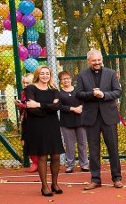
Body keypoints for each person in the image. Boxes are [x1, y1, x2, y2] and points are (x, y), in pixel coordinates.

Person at [75, 49, 123, 190]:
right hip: (91, 118)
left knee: (113, 149)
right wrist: (92, 94)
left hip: (109, 117)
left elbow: (118, 92)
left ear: (102, 60)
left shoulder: (111, 73)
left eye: (99, 60)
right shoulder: (82, 75)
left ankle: (117, 178)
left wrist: (103, 95)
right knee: (94, 150)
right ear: (88, 61)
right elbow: (78, 94)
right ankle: (95, 179)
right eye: (94, 61)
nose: (97, 63)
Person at [23, 65, 65, 196]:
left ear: (50, 75)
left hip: (52, 125)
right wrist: (48, 109)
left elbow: (57, 106)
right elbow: (31, 108)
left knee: (56, 155)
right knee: (42, 156)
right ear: (37, 75)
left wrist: (40, 105)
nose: (45, 76)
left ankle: (54, 183)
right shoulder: (31, 88)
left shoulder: (54, 90)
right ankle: (44, 186)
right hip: (37, 125)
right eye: (42, 73)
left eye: (47, 73)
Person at [57, 71, 88, 174]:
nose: (66, 80)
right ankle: (70, 165)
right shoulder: (59, 93)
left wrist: (81, 107)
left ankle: (84, 164)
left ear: (71, 79)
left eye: (67, 78)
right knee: (69, 145)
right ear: (60, 81)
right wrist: (72, 109)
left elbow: (85, 100)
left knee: (82, 143)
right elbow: (59, 106)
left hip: (81, 120)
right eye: (63, 79)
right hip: (66, 122)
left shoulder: (78, 90)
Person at [16, 73, 38, 173]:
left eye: (27, 83)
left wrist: (21, 105)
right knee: (25, 141)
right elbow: (25, 105)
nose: (25, 84)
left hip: (35, 119)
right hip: (26, 119)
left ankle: (37, 163)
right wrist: (20, 105)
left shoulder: (36, 92)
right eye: (24, 83)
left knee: (34, 141)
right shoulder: (23, 92)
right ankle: (34, 161)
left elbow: (33, 106)